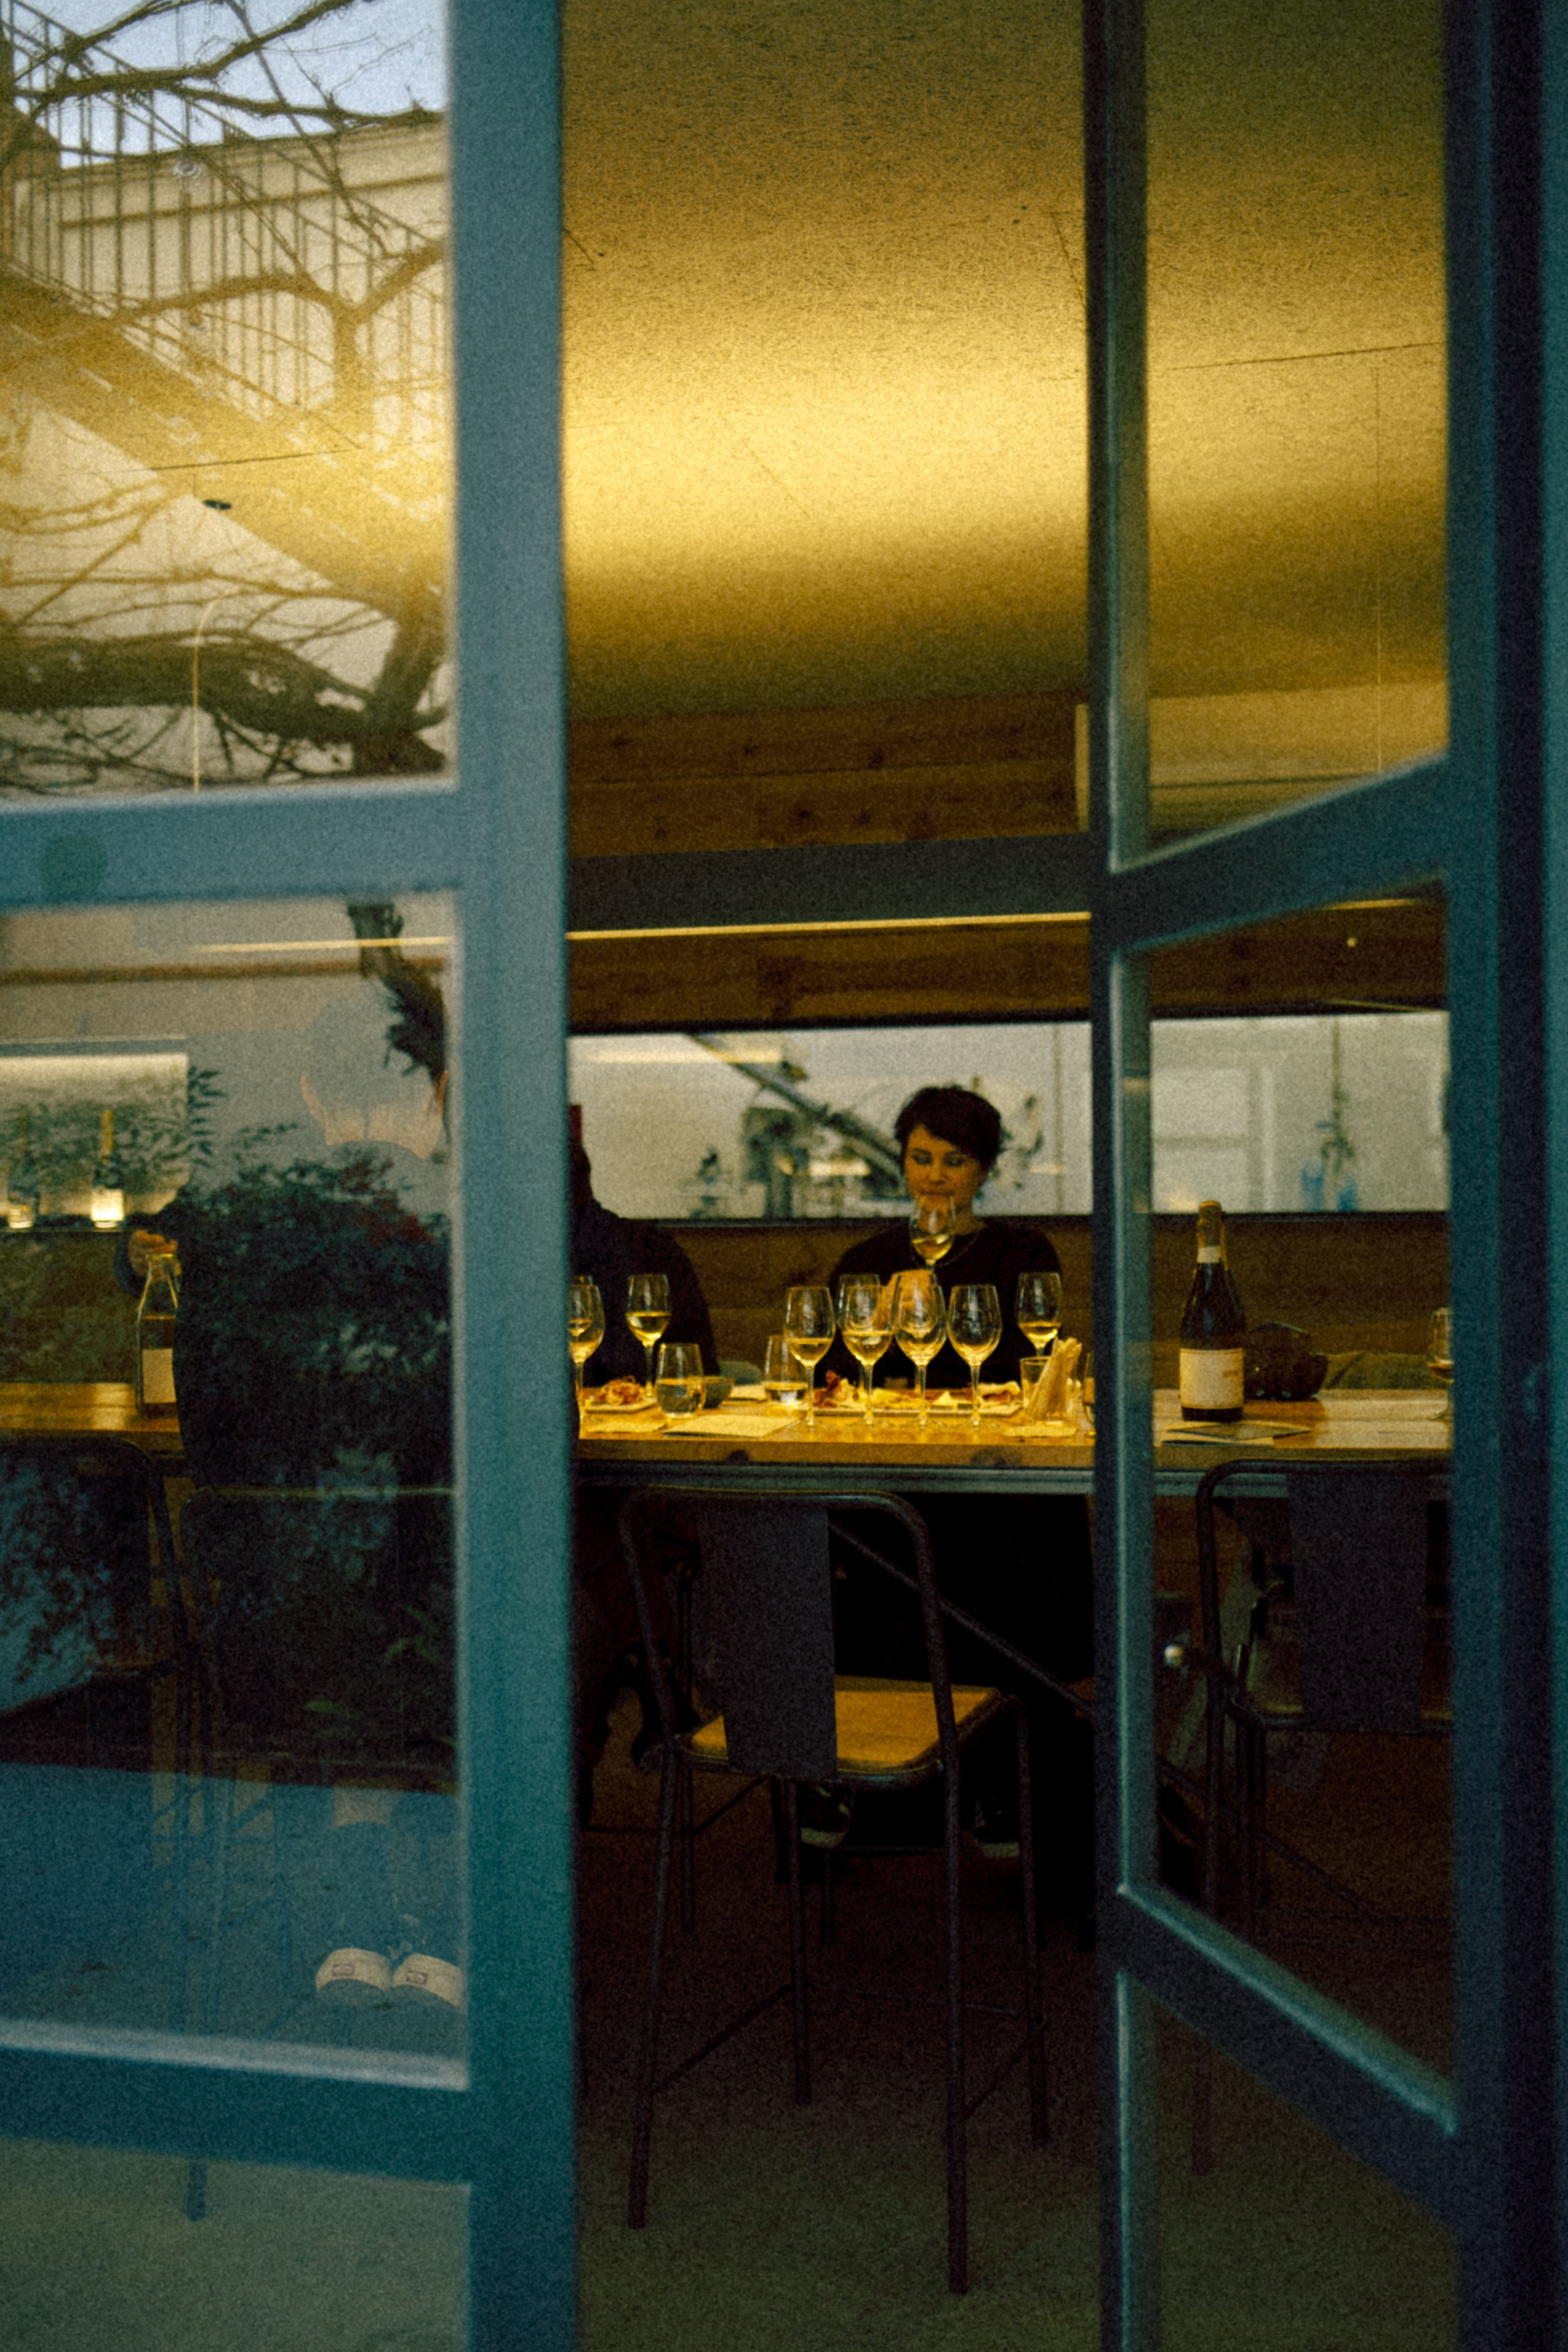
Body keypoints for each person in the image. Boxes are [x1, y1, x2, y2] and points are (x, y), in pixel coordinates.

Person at [120, 970, 462, 2017]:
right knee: (559, 1626)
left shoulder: (237, 1240)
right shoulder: (466, 1229)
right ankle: (456, 1917)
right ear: (439, 1091)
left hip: (267, 1649)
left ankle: (353, 1916)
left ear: (311, 1098)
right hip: (445, 1653)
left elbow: (206, 1427)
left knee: (355, 1608)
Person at [818, 1085, 1093, 1901]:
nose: (936, 1179)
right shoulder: (866, 1263)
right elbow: (831, 1375)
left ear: (984, 1170)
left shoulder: (1020, 1254)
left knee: (967, 1547)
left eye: (956, 1162)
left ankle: (954, 1779)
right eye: (922, 1159)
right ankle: (965, 1779)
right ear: (901, 1162)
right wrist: (875, 1341)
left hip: (991, 1481)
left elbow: (1030, 1368)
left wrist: (943, 1323)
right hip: (893, 1478)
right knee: (913, 1543)